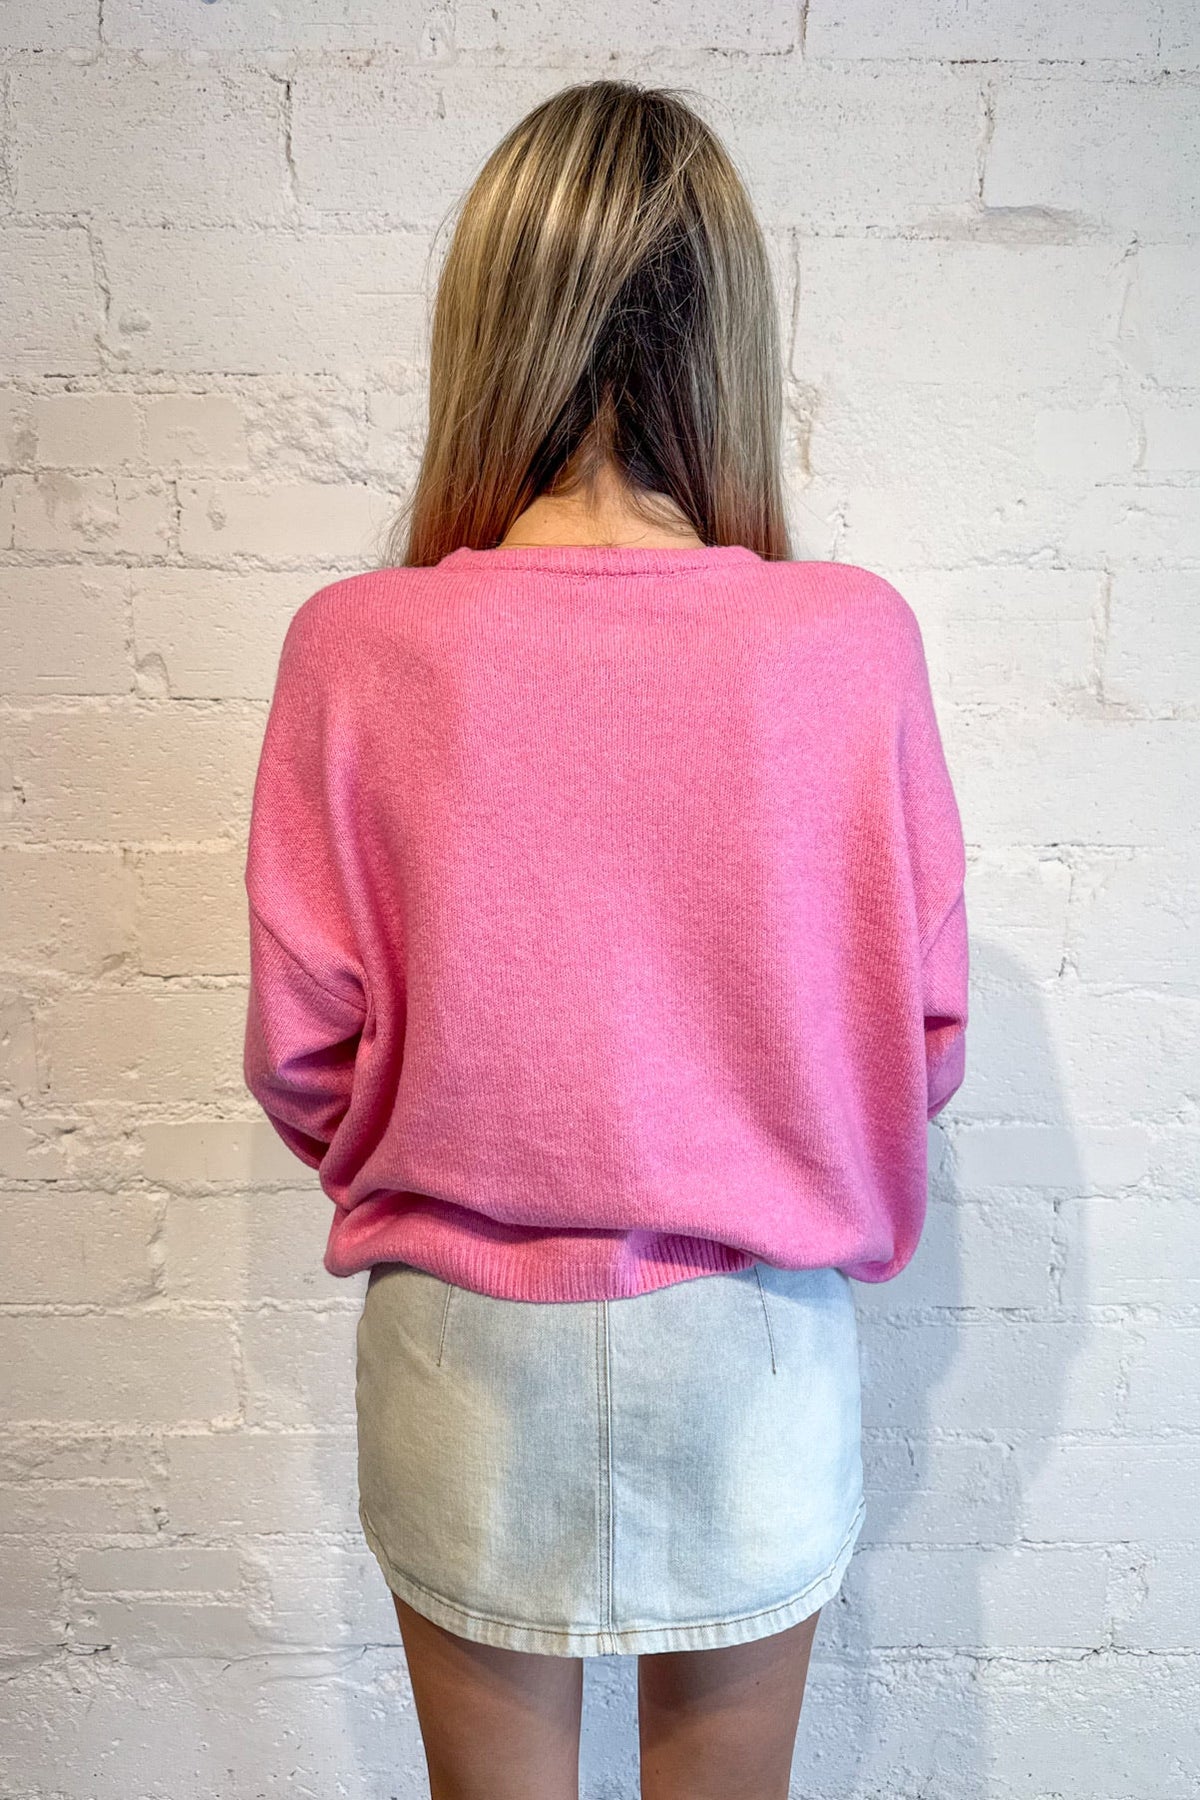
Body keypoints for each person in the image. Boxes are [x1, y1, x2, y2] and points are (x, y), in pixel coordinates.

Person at [242, 78, 969, 1800]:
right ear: (728, 341)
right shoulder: (847, 640)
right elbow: (921, 1034)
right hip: (753, 1345)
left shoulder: (360, 646)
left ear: (488, 328)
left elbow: (303, 1049)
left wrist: (472, 1130)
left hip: (462, 1342)